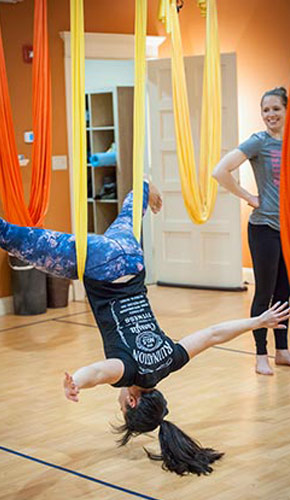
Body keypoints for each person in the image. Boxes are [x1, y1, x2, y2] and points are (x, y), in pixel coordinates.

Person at [1, 180, 289, 476]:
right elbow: (99, 373)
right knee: (9, 237)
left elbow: (213, 334)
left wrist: (257, 321)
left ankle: (145, 190)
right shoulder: (127, 371)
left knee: (130, 208)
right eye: (123, 407)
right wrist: (77, 381)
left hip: (132, 259)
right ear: (133, 400)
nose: (120, 403)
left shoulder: (171, 361)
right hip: (99, 262)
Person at [212, 86, 290, 376]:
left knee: (285, 292)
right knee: (265, 293)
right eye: (265, 110)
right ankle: (261, 354)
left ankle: (281, 350)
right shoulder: (259, 142)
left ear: (286, 110)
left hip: (287, 230)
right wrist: (249, 197)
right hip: (264, 228)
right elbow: (220, 170)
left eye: (276, 109)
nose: (270, 115)